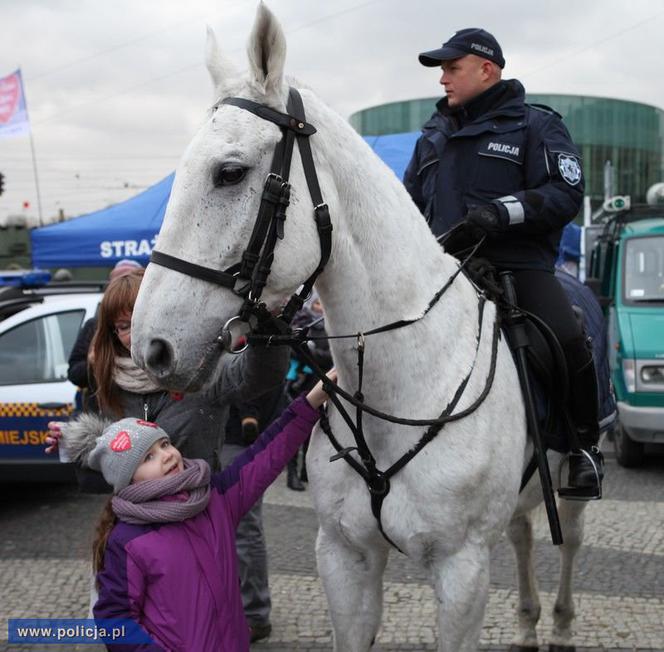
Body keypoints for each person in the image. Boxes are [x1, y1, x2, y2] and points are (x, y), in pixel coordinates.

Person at [403, 28, 603, 496]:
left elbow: (565, 193)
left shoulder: (537, 126)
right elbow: (407, 206)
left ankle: (583, 449)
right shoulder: (432, 137)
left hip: (516, 267)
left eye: (452, 69)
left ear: (486, 69)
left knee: (568, 337)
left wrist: (503, 211)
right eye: (442, 71)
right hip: (442, 272)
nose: (443, 80)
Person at [46, 373, 334, 652]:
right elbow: (114, 619)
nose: (168, 454)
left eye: (165, 443)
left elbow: (266, 453)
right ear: (127, 478)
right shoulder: (127, 540)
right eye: (149, 457)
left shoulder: (216, 499)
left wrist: (311, 401)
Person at [56, 268, 289, 488]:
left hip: (199, 511)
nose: (137, 331)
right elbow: (107, 461)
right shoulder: (106, 378)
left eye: (144, 317)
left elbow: (261, 376)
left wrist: (270, 325)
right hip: (138, 520)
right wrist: (75, 441)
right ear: (113, 334)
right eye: (125, 326)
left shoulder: (201, 369)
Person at [219, 385, 288, 643]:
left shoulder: (254, 348)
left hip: (238, 438)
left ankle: (254, 615)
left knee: (245, 531)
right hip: (230, 435)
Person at [286, 292, 333, 490]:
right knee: (295, 428)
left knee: (313, 429)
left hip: (320, 382)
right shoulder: (304, 325)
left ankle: (305, 471)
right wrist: (309, 353)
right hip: (300, 382)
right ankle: (291, 474)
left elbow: (330, 357)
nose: (319, 308)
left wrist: (313, 353)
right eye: (316, 304)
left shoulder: (330, 329)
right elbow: (293, 348)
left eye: (323, 305)